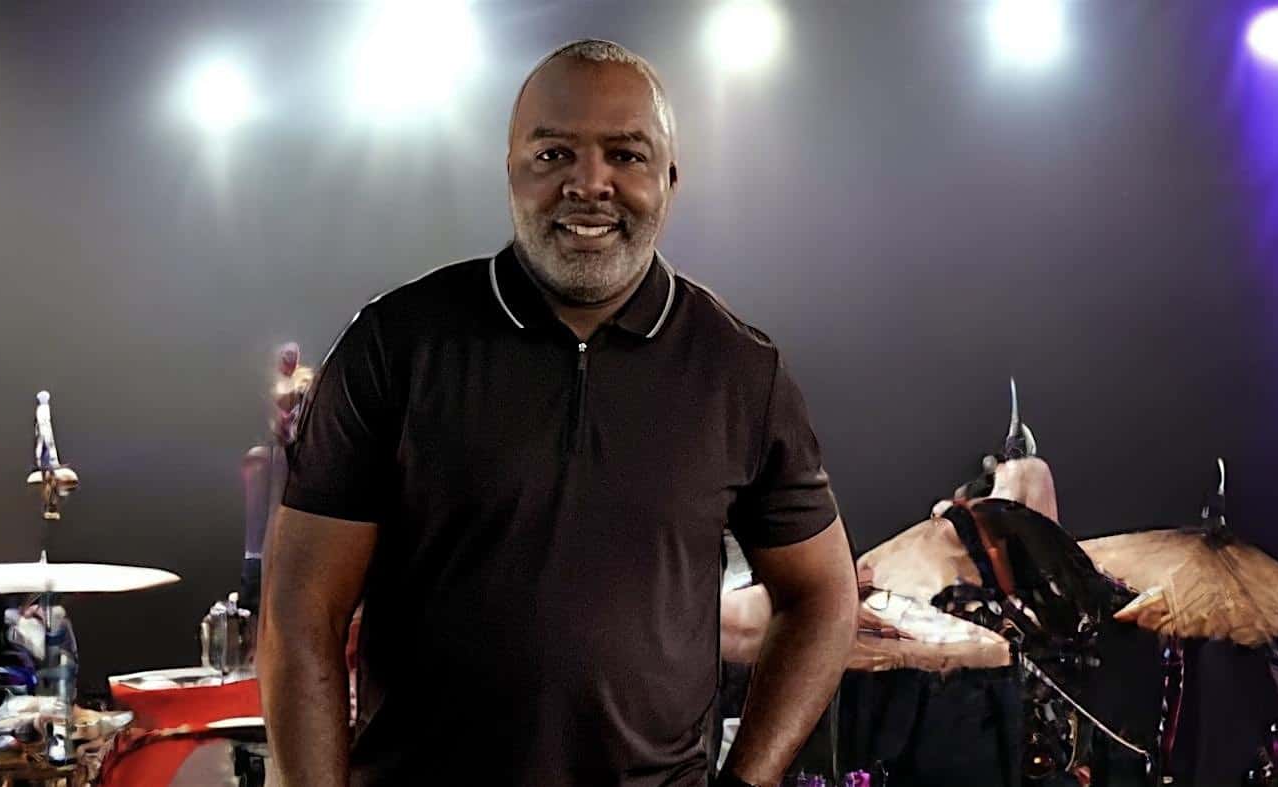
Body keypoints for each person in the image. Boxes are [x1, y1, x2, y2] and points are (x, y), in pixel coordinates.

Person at [259, 39, 858, 787]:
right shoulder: (396, 345)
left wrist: (746, 782)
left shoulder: (739, 371)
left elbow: (823, 594)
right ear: (511, 171)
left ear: (669, 179)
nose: (589, 184)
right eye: (553, 155)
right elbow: (301, 614)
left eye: (626, 155)